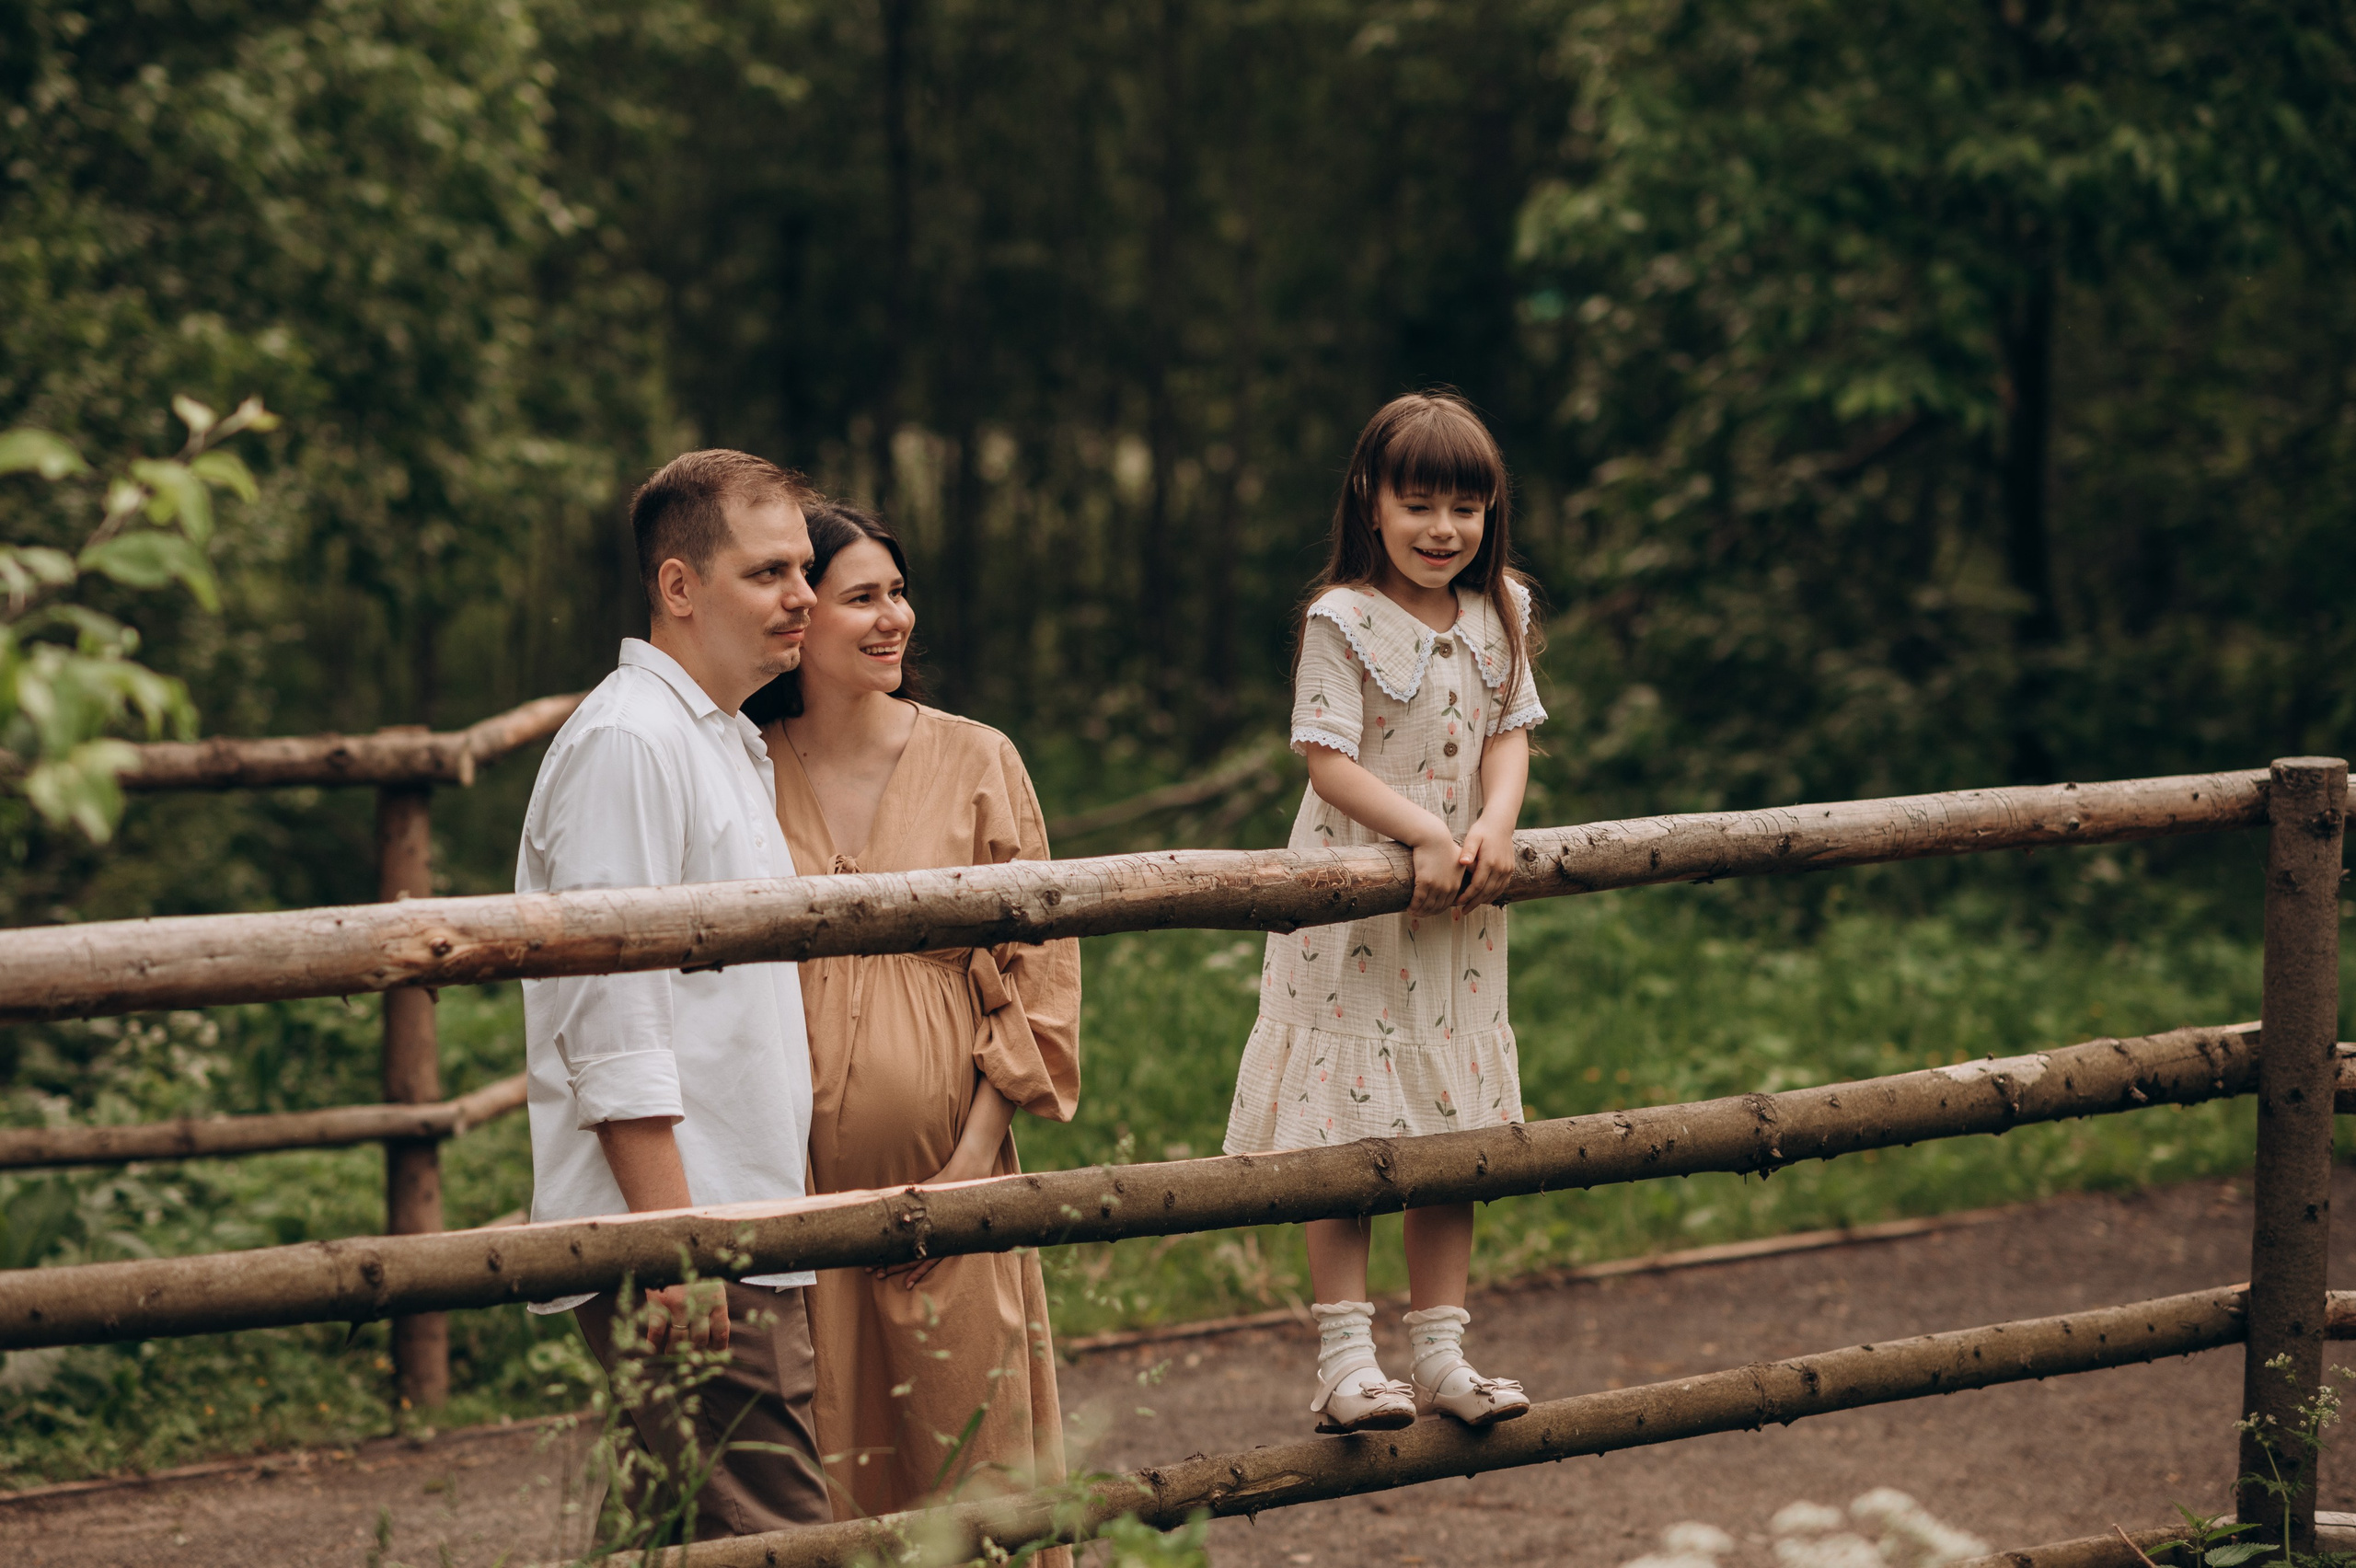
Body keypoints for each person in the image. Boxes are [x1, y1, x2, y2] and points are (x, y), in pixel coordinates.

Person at [743, 500, 1080, 1533]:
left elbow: (1039, 974)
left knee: (966, 1445)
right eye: (862, 598)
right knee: (822, 1455)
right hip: (790, 1189)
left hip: (952, 1169)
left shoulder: (978, 758)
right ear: (801, 622)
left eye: (898, 592)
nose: (893, 617)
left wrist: (969, 1167)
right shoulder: (740, 765)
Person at [516, 449, 833, 1541]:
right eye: (768, 573)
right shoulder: (628, 743)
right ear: (680, 586)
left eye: (803, 567)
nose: (803, 595)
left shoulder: (719, 738)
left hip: (743, 1213)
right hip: (689, 1230)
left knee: (672, 1535)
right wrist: (674, 1248)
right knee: (783, 1541)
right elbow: (612, 1014)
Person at [1222, 391, 1545, 1436]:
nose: (1443, 530)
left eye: (1466, 506)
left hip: (1461, 907)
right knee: (1349, 1121)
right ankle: (1344, 1360)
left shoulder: (1506, 609)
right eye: (1420, 505)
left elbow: (1510, 731)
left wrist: (1493, 825)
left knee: (1450, 1123)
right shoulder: (1342, 618)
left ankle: (1444, 1351)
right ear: (1370, 499)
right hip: (1356, 907)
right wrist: (1419, 833)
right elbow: (1326, 757)